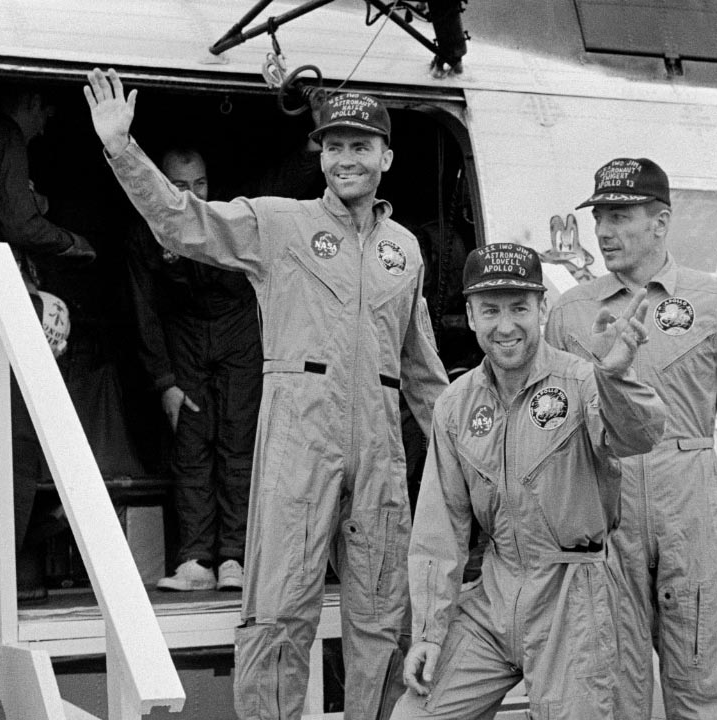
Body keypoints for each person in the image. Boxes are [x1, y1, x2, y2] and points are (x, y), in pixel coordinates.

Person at [84, 69, 449, 719]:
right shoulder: (279, 223)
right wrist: (122, 149)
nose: (346, 159)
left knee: (383, 625)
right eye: (334, 145)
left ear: (386, 157)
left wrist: (476, 458)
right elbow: (181, 223)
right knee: (278, 616)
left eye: (361, 145)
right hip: (298, 443)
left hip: (381, 455)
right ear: (321, 154)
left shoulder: (405, 250)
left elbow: (423, 373)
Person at [544, 157, 717, 719]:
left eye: (620, 215)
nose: (604, 231)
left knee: (705, 680)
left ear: (661, 222)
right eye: (599, 217)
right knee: (614, 686)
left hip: (690, 497)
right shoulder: (569, 313)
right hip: (606, 503)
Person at [391, 243, 666, 719]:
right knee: (416, 714)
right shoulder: (455, 406)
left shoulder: (583, 380)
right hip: (497, 591)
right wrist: (431, 633)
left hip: (574, 595)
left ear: (541, 309)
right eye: (490, 310)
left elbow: (638, 435)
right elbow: (440, 529)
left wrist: (616, 375)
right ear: (471, 317)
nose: (506, 325)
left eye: (520, 308)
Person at [0, 81, 95, 602]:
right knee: (16, 436)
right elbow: (18, 222)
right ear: (28, 103)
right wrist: (74, 242)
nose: (45, 124)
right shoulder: (5, 131)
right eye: (45, 113)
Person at [126, 146, 263, 592]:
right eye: (180, 186)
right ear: (163, 184)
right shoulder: (146, 227)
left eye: (199, 184)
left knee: (239, 443)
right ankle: (195, 560)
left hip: (238, 332)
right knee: (190, 446)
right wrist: (163, 381)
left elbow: (280, 187)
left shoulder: (231, 218)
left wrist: (309, 151)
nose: (192, 195)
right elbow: (143, 309)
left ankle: (235, 559)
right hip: (182, 335)